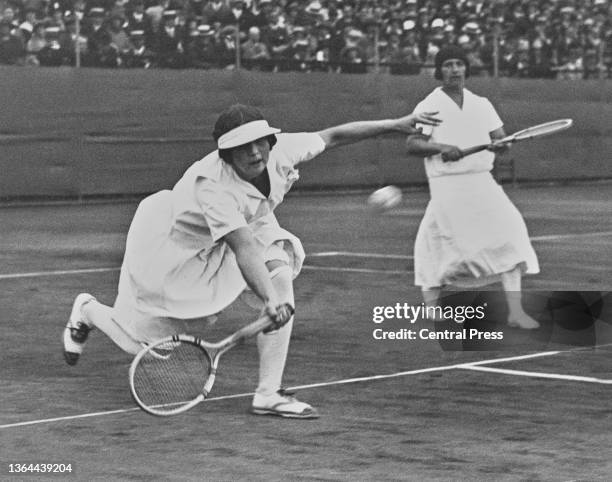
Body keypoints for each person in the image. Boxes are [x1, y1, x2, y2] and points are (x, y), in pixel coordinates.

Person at [63, 103, 440, 418]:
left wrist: (394, 124)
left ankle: (268, 393)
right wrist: (270, 302)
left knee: (280, 280)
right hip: (176, 246)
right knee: (145, 345)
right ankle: (89, 311)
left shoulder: (282, 150)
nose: (255, 153)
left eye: (259, 143)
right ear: (227, 154)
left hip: (251, 223)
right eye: (243, 148)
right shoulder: (213, 185)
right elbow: (243, 247)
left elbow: (334, 135)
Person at [405, 45, 540, 330]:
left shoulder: (482, 103)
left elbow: (501, 139)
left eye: (459, 64)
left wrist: (502, 145)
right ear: (439, 71)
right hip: (446, 186)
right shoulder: (429, 104)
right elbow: (413, 144)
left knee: (512, 236)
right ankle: (431, 307)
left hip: (483, 182)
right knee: (438, 244)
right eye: (448, 64)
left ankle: (515, 310)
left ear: (466, 68)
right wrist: (442, 147)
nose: (454, 69)